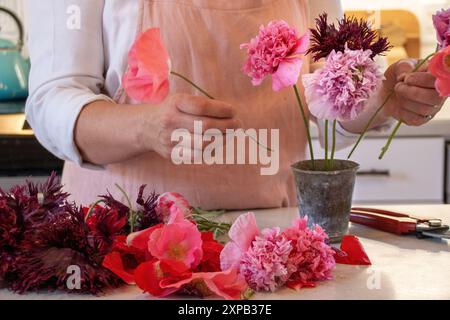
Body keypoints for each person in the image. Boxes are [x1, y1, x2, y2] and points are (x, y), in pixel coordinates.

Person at [25, 0, 446, 209]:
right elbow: (52, 100)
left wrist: (383, 97)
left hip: (275, 246)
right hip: (127, 242)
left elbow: (325, 100)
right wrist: (146, 127)